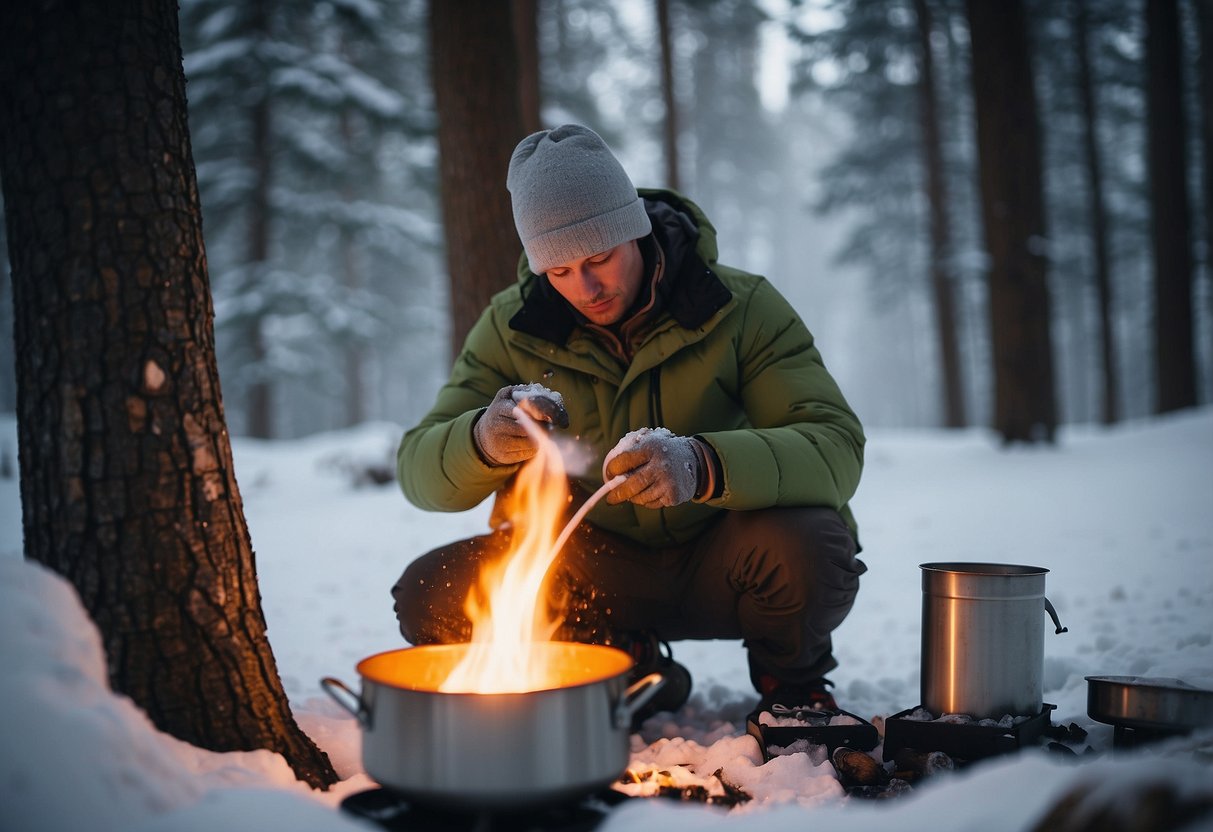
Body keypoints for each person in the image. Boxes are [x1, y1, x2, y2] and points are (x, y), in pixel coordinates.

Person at [392, 124, 866, 722]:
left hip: (725, 559)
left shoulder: (740, 308)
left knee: (810, 546)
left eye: (598, 258)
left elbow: (835, 445)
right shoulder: (511, 326)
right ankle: (620, 660)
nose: (584, 288)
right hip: (593, 574)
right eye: (558, 271)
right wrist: (480, 442)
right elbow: (417, 470)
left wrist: (704, 466)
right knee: (432, 594)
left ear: (633, 230)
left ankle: (791, 679)